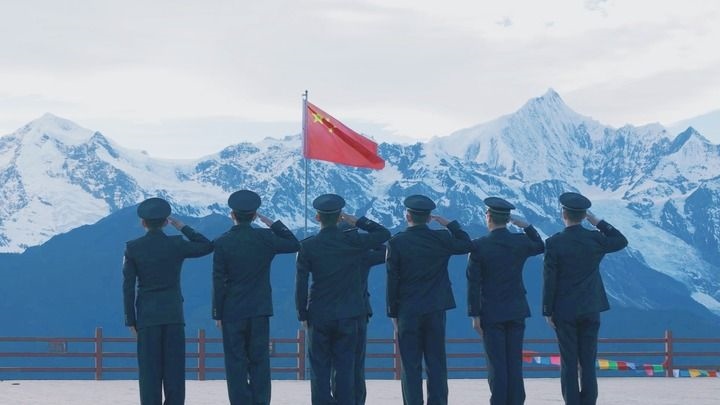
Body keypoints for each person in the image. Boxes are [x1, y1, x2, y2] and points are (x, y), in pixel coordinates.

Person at [296, 194, 391, 405]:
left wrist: (302, 313)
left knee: (319, 369)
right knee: (346, 368)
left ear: (317, 217)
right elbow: (384, 235)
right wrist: (357, 221)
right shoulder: (355, 243)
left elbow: (301, 283)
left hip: (319, 313)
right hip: (351, 313)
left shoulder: (308, 246)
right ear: (340, 216)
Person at [212, 190, 301, 405]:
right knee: (259, 360)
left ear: (232, 214)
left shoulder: (223, 242)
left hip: (232, 310)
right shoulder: (266, 238)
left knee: (235, 362)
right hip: (260, 308)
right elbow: (294, 243)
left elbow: (218, 280)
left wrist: (217, 313)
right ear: (254, 216)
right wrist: (272, 223)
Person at [122, 197, 214, 405]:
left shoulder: (133, 248)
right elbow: (207, 246)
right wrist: (182, 227)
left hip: (146, 316)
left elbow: (128, 287)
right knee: (174, 371)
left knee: (149, 372)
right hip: (173, 315)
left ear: (143, 223)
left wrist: (130, 320)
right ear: (165, 222)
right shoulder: (176, 244)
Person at [386, 194, 473, 405]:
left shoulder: (396, 242)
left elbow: (392, 280)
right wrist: (450, 224)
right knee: (436, 363)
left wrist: (392, 313)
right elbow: (466, 244)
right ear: (428, 218)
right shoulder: (441, 238)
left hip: (407, 310)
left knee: (410, 365)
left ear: (408, 216)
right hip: (436, 308)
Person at [543, 192, 628, 405]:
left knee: (569, 362)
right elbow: (621, 240)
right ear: (583, 216)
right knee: (588, 361)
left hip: (564, 309)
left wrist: (547, 310)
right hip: (591, 306)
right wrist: (597, 221)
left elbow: (549, 279)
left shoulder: (554, 243)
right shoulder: (596, 239)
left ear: (563, 214)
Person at [466, 197, 545, 405]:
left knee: (496, 364)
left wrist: (474, 314)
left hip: (490, 312)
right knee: (514, 362)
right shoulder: (520, 241)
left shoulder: (478, 246)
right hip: (517, 309)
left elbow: (473, 284)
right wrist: (527, 226)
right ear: (508, 219)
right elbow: (540, 246)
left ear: (489, 217)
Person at [331, 222, 387, 405]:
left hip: (333, 313)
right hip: (359, 312)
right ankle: (357, 400)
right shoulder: (363, 255)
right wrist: (364, 240)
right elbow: (386, 250)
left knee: (337, 363)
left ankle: (340, 399)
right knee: (357, 363)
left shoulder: (329, 253)